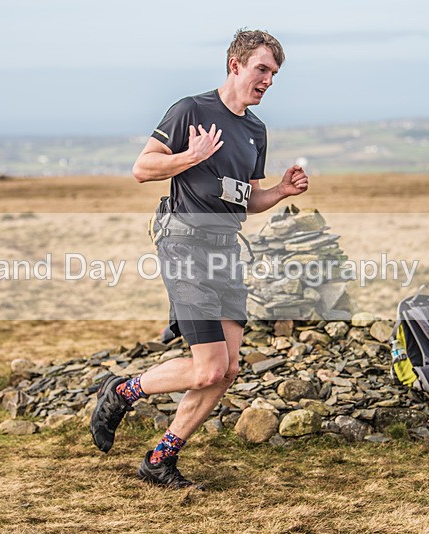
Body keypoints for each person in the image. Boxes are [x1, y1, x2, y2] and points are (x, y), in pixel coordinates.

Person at [90, 29, 309, 489]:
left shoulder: (255, 130)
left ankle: (159, 460)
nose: (269, 80)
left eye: (274, 73)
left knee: (226, 369)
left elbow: (243, 198)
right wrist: (189, 156)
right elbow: (142, 169)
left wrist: (280, 192)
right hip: (185, 245)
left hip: (226, 252)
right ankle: (123, 390)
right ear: (236, 65)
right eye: (262, 69)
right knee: (207, 366)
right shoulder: (192, 110)